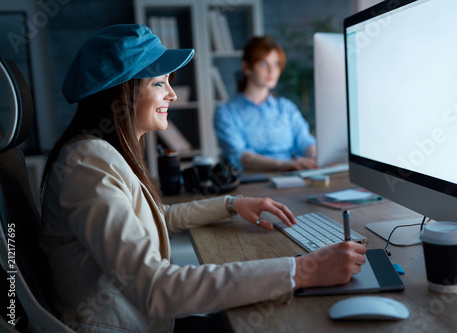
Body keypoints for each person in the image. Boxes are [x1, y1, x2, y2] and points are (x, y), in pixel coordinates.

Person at [39, 24, 366, 332]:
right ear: (119, 95)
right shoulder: (88, 165)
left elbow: (157, 218)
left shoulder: (101, 155)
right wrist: (302, 270)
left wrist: (232, 203)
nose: (173, 95)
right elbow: (157, 288)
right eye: (158, 83)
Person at [213, 35, 318, 172]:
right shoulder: (226, 112)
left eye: (276, 64)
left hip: (293, 175)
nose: (272, 70)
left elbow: (306, 142)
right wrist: (283, 165)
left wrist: (313, 158)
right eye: (263, 63)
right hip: (252, 182)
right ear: (247, 68)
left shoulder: (286, 107)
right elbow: (240, 156)